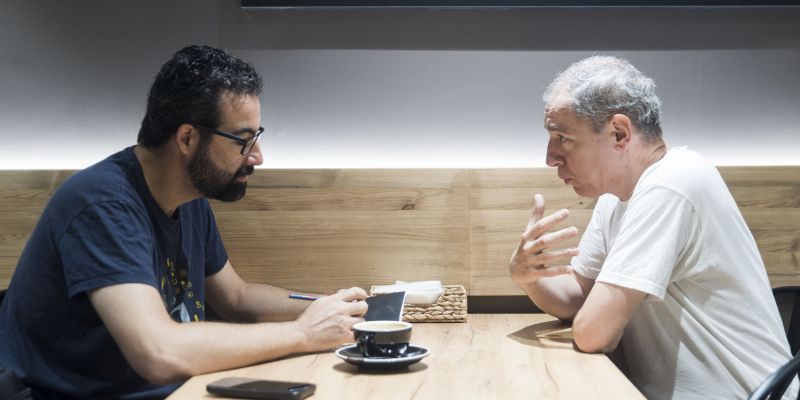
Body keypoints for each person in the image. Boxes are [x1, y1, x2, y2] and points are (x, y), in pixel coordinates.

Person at [0, 45, 368, 399]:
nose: (257, 156)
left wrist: (329, 307)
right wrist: (303, 333)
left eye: (256, 137)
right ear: (188, 138)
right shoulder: (103, 204)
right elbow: (159, 353)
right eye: (243, 140)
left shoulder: (189, 198)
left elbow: (238, 298)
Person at [508, 55, 796, 399]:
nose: (550, 157)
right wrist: (530, 278)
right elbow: (579, 296)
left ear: (619, 132)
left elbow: (592, 332)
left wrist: (595, 321)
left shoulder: (671, 184)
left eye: (563, 138)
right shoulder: (615, 197)